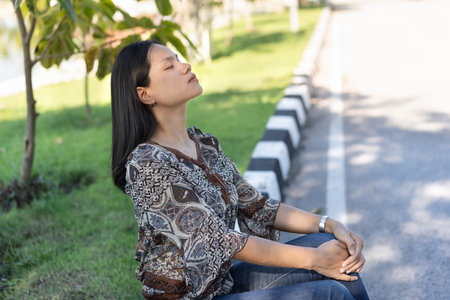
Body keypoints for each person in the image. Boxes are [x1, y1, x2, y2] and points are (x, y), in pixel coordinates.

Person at [111, 40, 369, 300]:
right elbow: (218, 240)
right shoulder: (147, 166)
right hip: (192, 296)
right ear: (145, 94)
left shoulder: (203, 145)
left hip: (222, 282)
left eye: (179, 59)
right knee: (329, 293)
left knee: (336, 254)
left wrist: (330, 225)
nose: (185, 65)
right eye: (170, 66)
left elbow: (257, 206)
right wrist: (314, 260)